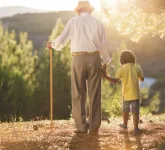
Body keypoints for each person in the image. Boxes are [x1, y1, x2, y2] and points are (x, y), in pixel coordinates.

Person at [46, 0, 110, 133]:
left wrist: (52, 44)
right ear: (90, 10)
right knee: (94, 93)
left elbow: (62, 40)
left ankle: (81, 126)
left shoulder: (73, 22)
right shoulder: (98, 24)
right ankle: (93, 126)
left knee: (78, 92)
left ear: (79, 10)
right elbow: (104, 46)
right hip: (95, 58)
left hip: (78, 58)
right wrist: (105, 62)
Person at [102, 50, 144, 133]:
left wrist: (105, 76)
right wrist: (137, 77)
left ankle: (125, 124)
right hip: (135, 94)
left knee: (125, 109)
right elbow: (142, 79)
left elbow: (115, 81)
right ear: (132, 58)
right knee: (135, 112)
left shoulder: (121, 69)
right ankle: (136, 128)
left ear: (122, 60)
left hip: (126, 94)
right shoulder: (137, 68)